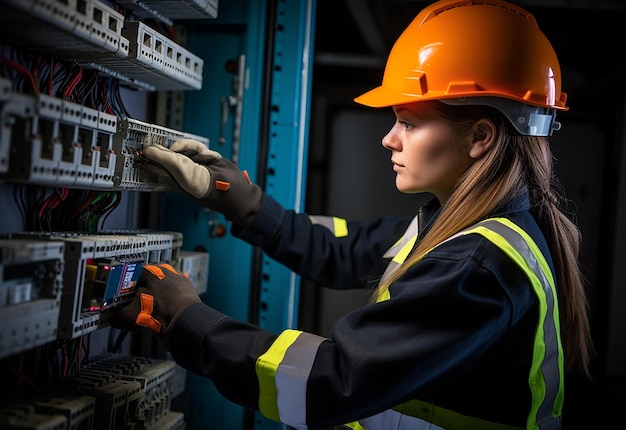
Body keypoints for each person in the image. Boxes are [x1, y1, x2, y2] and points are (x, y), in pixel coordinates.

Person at [110, 0, 593, 428]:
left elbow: (328, 381)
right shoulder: (467, 229)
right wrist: (243, 201)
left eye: (408, 122)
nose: (389, 138)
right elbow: (344, 248)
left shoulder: (478, 266)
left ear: (480, 137)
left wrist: (185, 319)